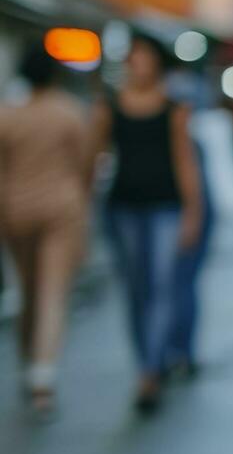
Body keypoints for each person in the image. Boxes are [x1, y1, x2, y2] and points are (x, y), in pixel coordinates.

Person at [96, 34, 203, 414]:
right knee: (135, 289)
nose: (135, 63)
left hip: (165, 208)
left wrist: (194, 211)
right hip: (123, 207)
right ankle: (146, 358)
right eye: (131, 57)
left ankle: (150, 370)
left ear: (155, 62)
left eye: (140, 56)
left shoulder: (174, 108)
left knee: (160, 285)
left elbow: (185, 161)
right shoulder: (110, 105)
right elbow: (97, 156)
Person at [0, 47, 97, 418]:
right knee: (52, 293)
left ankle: (28, 364)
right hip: (61, 210)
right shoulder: (68, 112)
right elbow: (84, 166)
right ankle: (43, 377)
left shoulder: (9, 115)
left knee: (26, 292)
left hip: (15, 211)